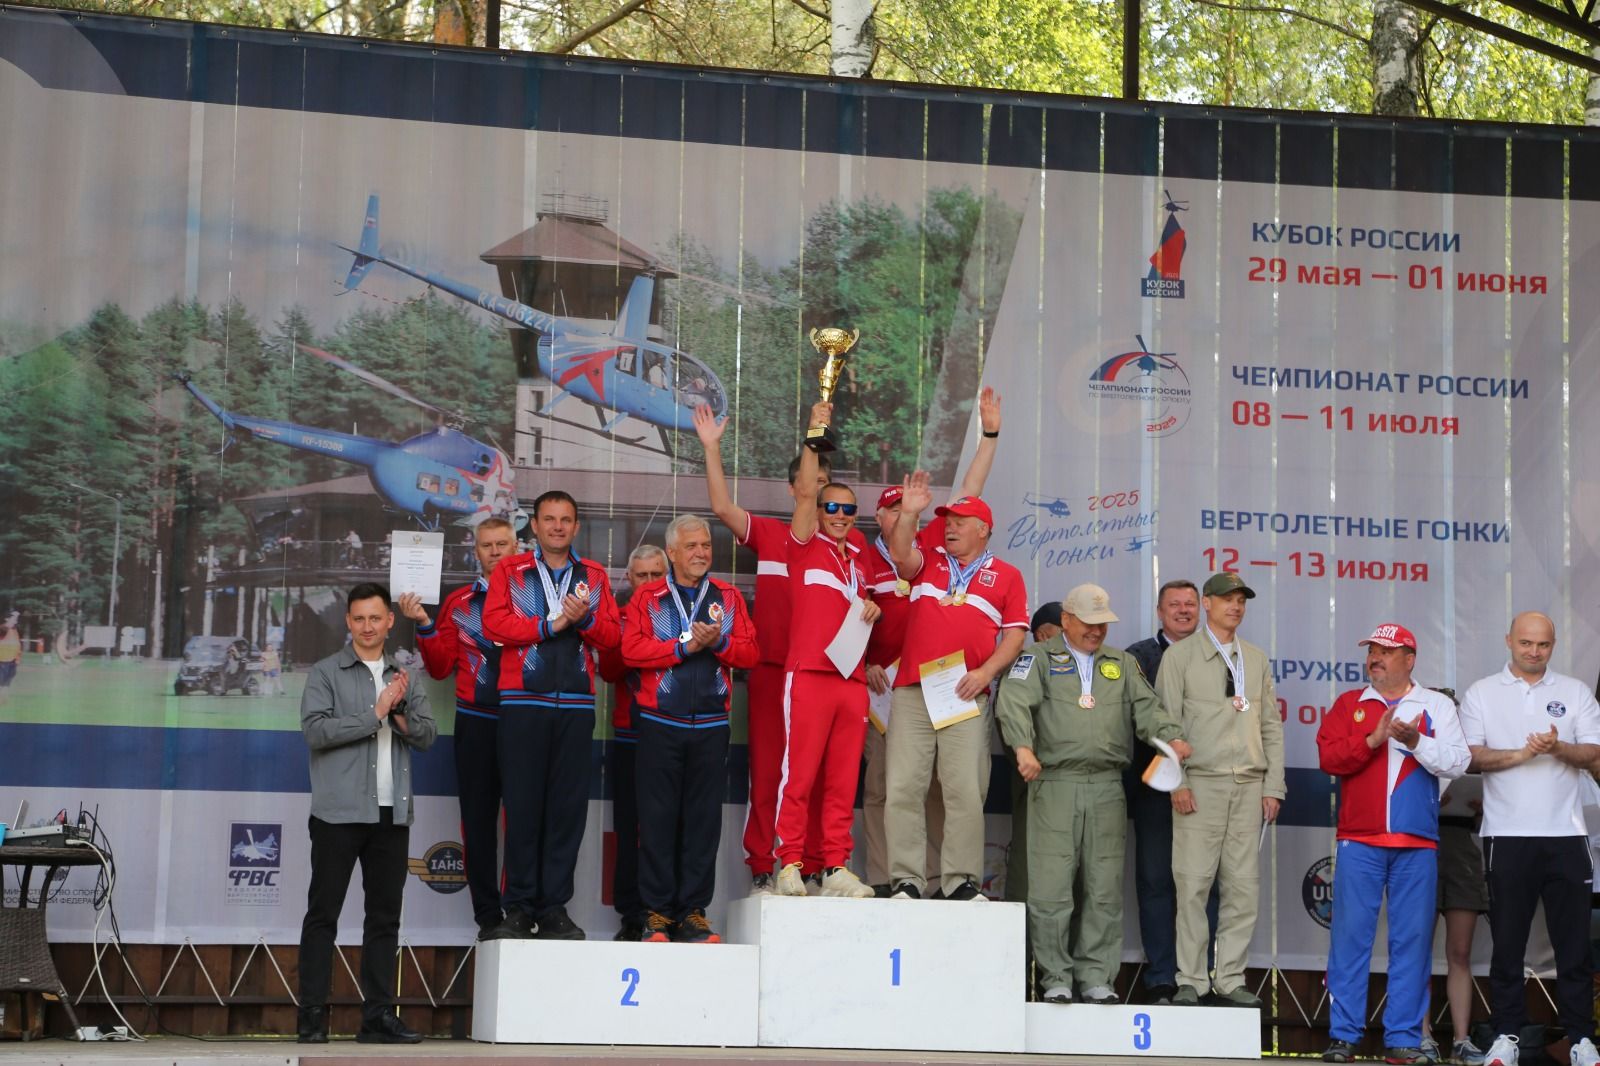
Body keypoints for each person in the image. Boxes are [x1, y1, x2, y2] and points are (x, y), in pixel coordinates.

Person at [996, 584, 1190, 1006]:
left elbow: (1148, 710)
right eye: (1088, 622)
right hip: (1055, 783)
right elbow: (1013, 702)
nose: (1096, 631)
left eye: (1103, 624)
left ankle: (1096, 977)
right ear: (1066, 619)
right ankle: (1055, 977)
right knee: (1051, 887)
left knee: (1103, 887)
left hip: (1106, 786)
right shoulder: (1036, 659)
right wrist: (1023, 747)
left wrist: (1171, 737)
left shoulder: (1121, 663)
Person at [862, 387, 1004, 895]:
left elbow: (971, 489)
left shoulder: (940, 545)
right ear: (882, 516)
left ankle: (951, 880)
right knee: (893, 787)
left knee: (953, 788)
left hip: (948, 682)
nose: (904, 513)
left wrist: (990, 434)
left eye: (908, 508)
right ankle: (897, 879)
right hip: (890, 687)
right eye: (894, 509)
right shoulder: (875, 552)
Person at [693, 404, 834, 893]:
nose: (817, 490)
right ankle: (762, 864)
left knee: (815, 773)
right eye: (811, 482)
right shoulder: (772, 535)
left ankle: (812, 864)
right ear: (794, 488)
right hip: (774, 670)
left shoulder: (844, 548)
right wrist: (712, 448)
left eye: (825, 484)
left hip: (821, 677)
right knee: (770, 770)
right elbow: (722, 508)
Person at [1317, 624, 1470, 1065]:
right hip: (1359, 840)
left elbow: (1458, 762)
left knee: (1412, 943)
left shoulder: (1435, 705)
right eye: (1372, 650)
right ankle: (1343, 1037)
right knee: (1349, 941)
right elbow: (1329, 758)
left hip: (1416, 843)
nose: (1375, 658)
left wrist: (1415, 740)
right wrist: (1373, 739)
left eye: (1386, 650)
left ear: (1410, 659)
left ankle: (1403, 1039)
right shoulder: (1350, 704)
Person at [296, 583, 435, 1045]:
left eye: (376, 618)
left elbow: (428, 735)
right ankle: (311, 1018)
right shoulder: (325, 672)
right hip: (338, 813)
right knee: (323, 915)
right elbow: (316, 732)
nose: (368, 626)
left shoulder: (406, 675)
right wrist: (375, 713)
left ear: (390, 621)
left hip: (391, 814)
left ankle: (377, 1019)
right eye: (359, 618)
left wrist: (398, 715)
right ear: (348, 622)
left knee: (384, 919)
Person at [1458, 612, 1600, 1066]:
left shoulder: (1575, 691)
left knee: (1573, 946)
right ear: (1509, 641)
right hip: (1507, 835)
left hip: (1567, 835)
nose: (1534, 651)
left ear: (1553, 645)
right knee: (1507, 944)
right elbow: (1471, 756)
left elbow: (1594, 751)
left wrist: (1558, 747)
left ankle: (1581, 1040)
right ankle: (1506, 1037)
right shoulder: (1482, 692)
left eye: (1543, 644)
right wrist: (1524, 753)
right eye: (1526, 643)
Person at [482, 490, 621, 941]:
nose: (558, 527)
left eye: (565, 520)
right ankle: (520, 908)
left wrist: (585, 621)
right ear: (535, 526)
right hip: (523, 703)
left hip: (576, 706)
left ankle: (555, 908)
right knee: (522, 807)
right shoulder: (511, 570)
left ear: (576, 527)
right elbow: (494, 623)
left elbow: (613, 638)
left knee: (566, 811)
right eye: (549, 519)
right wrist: (551, 624)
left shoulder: (593, 576)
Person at [884, 471, 1028, 901]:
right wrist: (909, 514)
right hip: (913, 689)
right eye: (947, 521)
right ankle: (907, 880)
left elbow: (1015, 636)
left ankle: (960, 881)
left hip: (965, 691)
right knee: (903, 786)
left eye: (960, 522)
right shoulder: (930, 559)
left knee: (965, 789)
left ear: (983, 529)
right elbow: (900, 553)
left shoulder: (1007, 575)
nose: (950, 527)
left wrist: (986, 673)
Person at [622, 515, 758, 943]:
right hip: (660, 723)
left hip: (712, 725)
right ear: (673, 553)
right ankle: (657, 913)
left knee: (703, 823)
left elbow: (751, 654)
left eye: (706, 545)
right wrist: (684, 647)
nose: (701, 552)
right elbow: (631, 651)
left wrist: (719, 643)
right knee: (657, 820)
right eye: (692, 546)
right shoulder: (648, 597)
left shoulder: (728, 597)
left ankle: (693, 912)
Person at [1155, 571, 1283, 1008]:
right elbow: (1164, 725)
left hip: (1248, 785)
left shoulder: (1256, 659)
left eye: (1241, 600)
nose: (1236, 606)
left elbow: (1271, 727)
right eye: (1227, 599)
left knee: (1243, 888)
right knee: (1192, 886)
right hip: (1200, 784)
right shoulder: (1180, 657)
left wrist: (1273, 786)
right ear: (1206, 604)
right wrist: (1178, 782)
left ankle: (1229, 978)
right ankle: (1191, 979)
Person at [771, 404, 882, 898]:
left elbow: (863, 604)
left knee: (842, 780)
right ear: (817, 510)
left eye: (848, 510)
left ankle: (835, 865)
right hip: (810, 675)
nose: (839, 516)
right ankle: (789, 862)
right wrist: (814, 433)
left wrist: (872, 608)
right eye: (831, 507)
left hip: (851, 681)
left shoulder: (858, 558)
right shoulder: (803, 543)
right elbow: (806, 488)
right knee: (799, 776)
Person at [399, 516, 517, 939]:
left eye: (502, 544)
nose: (495, 552)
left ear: (516, 547)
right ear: (476, 550)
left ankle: (519, 910)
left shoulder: (535, 599)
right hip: (476, 721)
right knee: (478, 822)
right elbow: (440, 667)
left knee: (522, 821)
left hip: (524, 721)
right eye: (487, 545)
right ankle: (489, 915)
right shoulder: (460, 602)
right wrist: (425, 625)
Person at [1123, 579, 1213, 1003]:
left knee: (1203, 884)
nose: (1183, 610)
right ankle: (1162, 976)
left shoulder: (1217, 655)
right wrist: (1173, 772)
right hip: (1156, 788)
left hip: (1208, 788)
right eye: (1174, 604)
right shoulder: (1138, 658)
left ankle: (1198, 977)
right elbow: (1135, 721)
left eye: (1190, 604)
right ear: (1160, 612)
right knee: (1157, 881)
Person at [597, 544, 669, 941]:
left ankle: (669, 911)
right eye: (642, 576)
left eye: (657, 575)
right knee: (629, 828)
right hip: (630, 735)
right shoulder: (620, 617)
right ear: (629, 578)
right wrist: (637, 637)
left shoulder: (681, 614)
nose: (649, 582)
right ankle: (631, 914)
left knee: (668, 827)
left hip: (673, 733)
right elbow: (608, 670)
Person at [1425, 690, 1489, 1066]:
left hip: (1463, 853)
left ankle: (1462, 1041)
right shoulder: (1414, 750)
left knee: (1460, 953)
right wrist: (1430, 803)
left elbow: (1485, 823)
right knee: (1417, 950)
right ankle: (1420, 1035)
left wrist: (1481, 810)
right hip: (1422, 852)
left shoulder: (1470, 756)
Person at [1001, 602, 1063, 906]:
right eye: (1063, 629)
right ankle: (1025, 935)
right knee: (1029, 864)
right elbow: (1010, 724)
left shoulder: (1080, 667)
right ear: (1042, 634)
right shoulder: (1024, 665)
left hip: (1073, 783)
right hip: (1035, 781)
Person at [0, 610, 21, 692]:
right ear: (6, 619)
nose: (16, 621)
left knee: (7, 682)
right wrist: (15, 616)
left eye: (16, 619)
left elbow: (17, 646)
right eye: (13, 619)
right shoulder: (2, 628)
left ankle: (3, 696)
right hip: (2, 661)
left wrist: (17, 659)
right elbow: (6, 627)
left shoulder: (14, 631)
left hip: (12, 661)